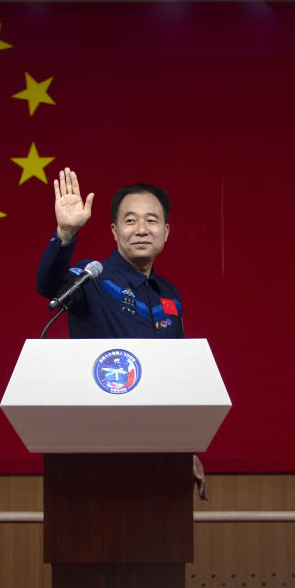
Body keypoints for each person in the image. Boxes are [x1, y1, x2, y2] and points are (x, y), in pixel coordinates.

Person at [36, 167, 207, 498]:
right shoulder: (92, 277)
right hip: (93, 447)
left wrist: (186, 448)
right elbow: (49, 285)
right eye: (130, 221)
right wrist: (66, 233)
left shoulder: (169, 294)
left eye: (152, 220)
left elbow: (175, 380)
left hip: (159, 456)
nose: (141, 229)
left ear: (167, 231)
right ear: (114, 231)